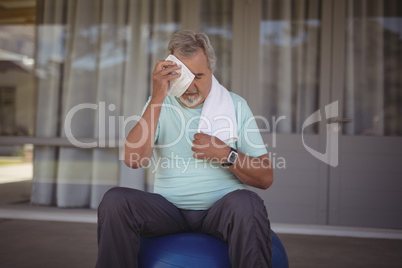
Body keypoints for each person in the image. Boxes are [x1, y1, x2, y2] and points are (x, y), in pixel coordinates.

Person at [96, 30, 274, 268]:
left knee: (248, 202)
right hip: (168, 211)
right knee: (115, 200)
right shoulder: (158, 102)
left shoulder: (236, 105)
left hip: (220, 211)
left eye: (198, 76)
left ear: (212, 71)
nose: (190, 86)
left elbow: (265, 177)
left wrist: (226, 154)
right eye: (183, 77)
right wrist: (158, 95)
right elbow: (133, 159)